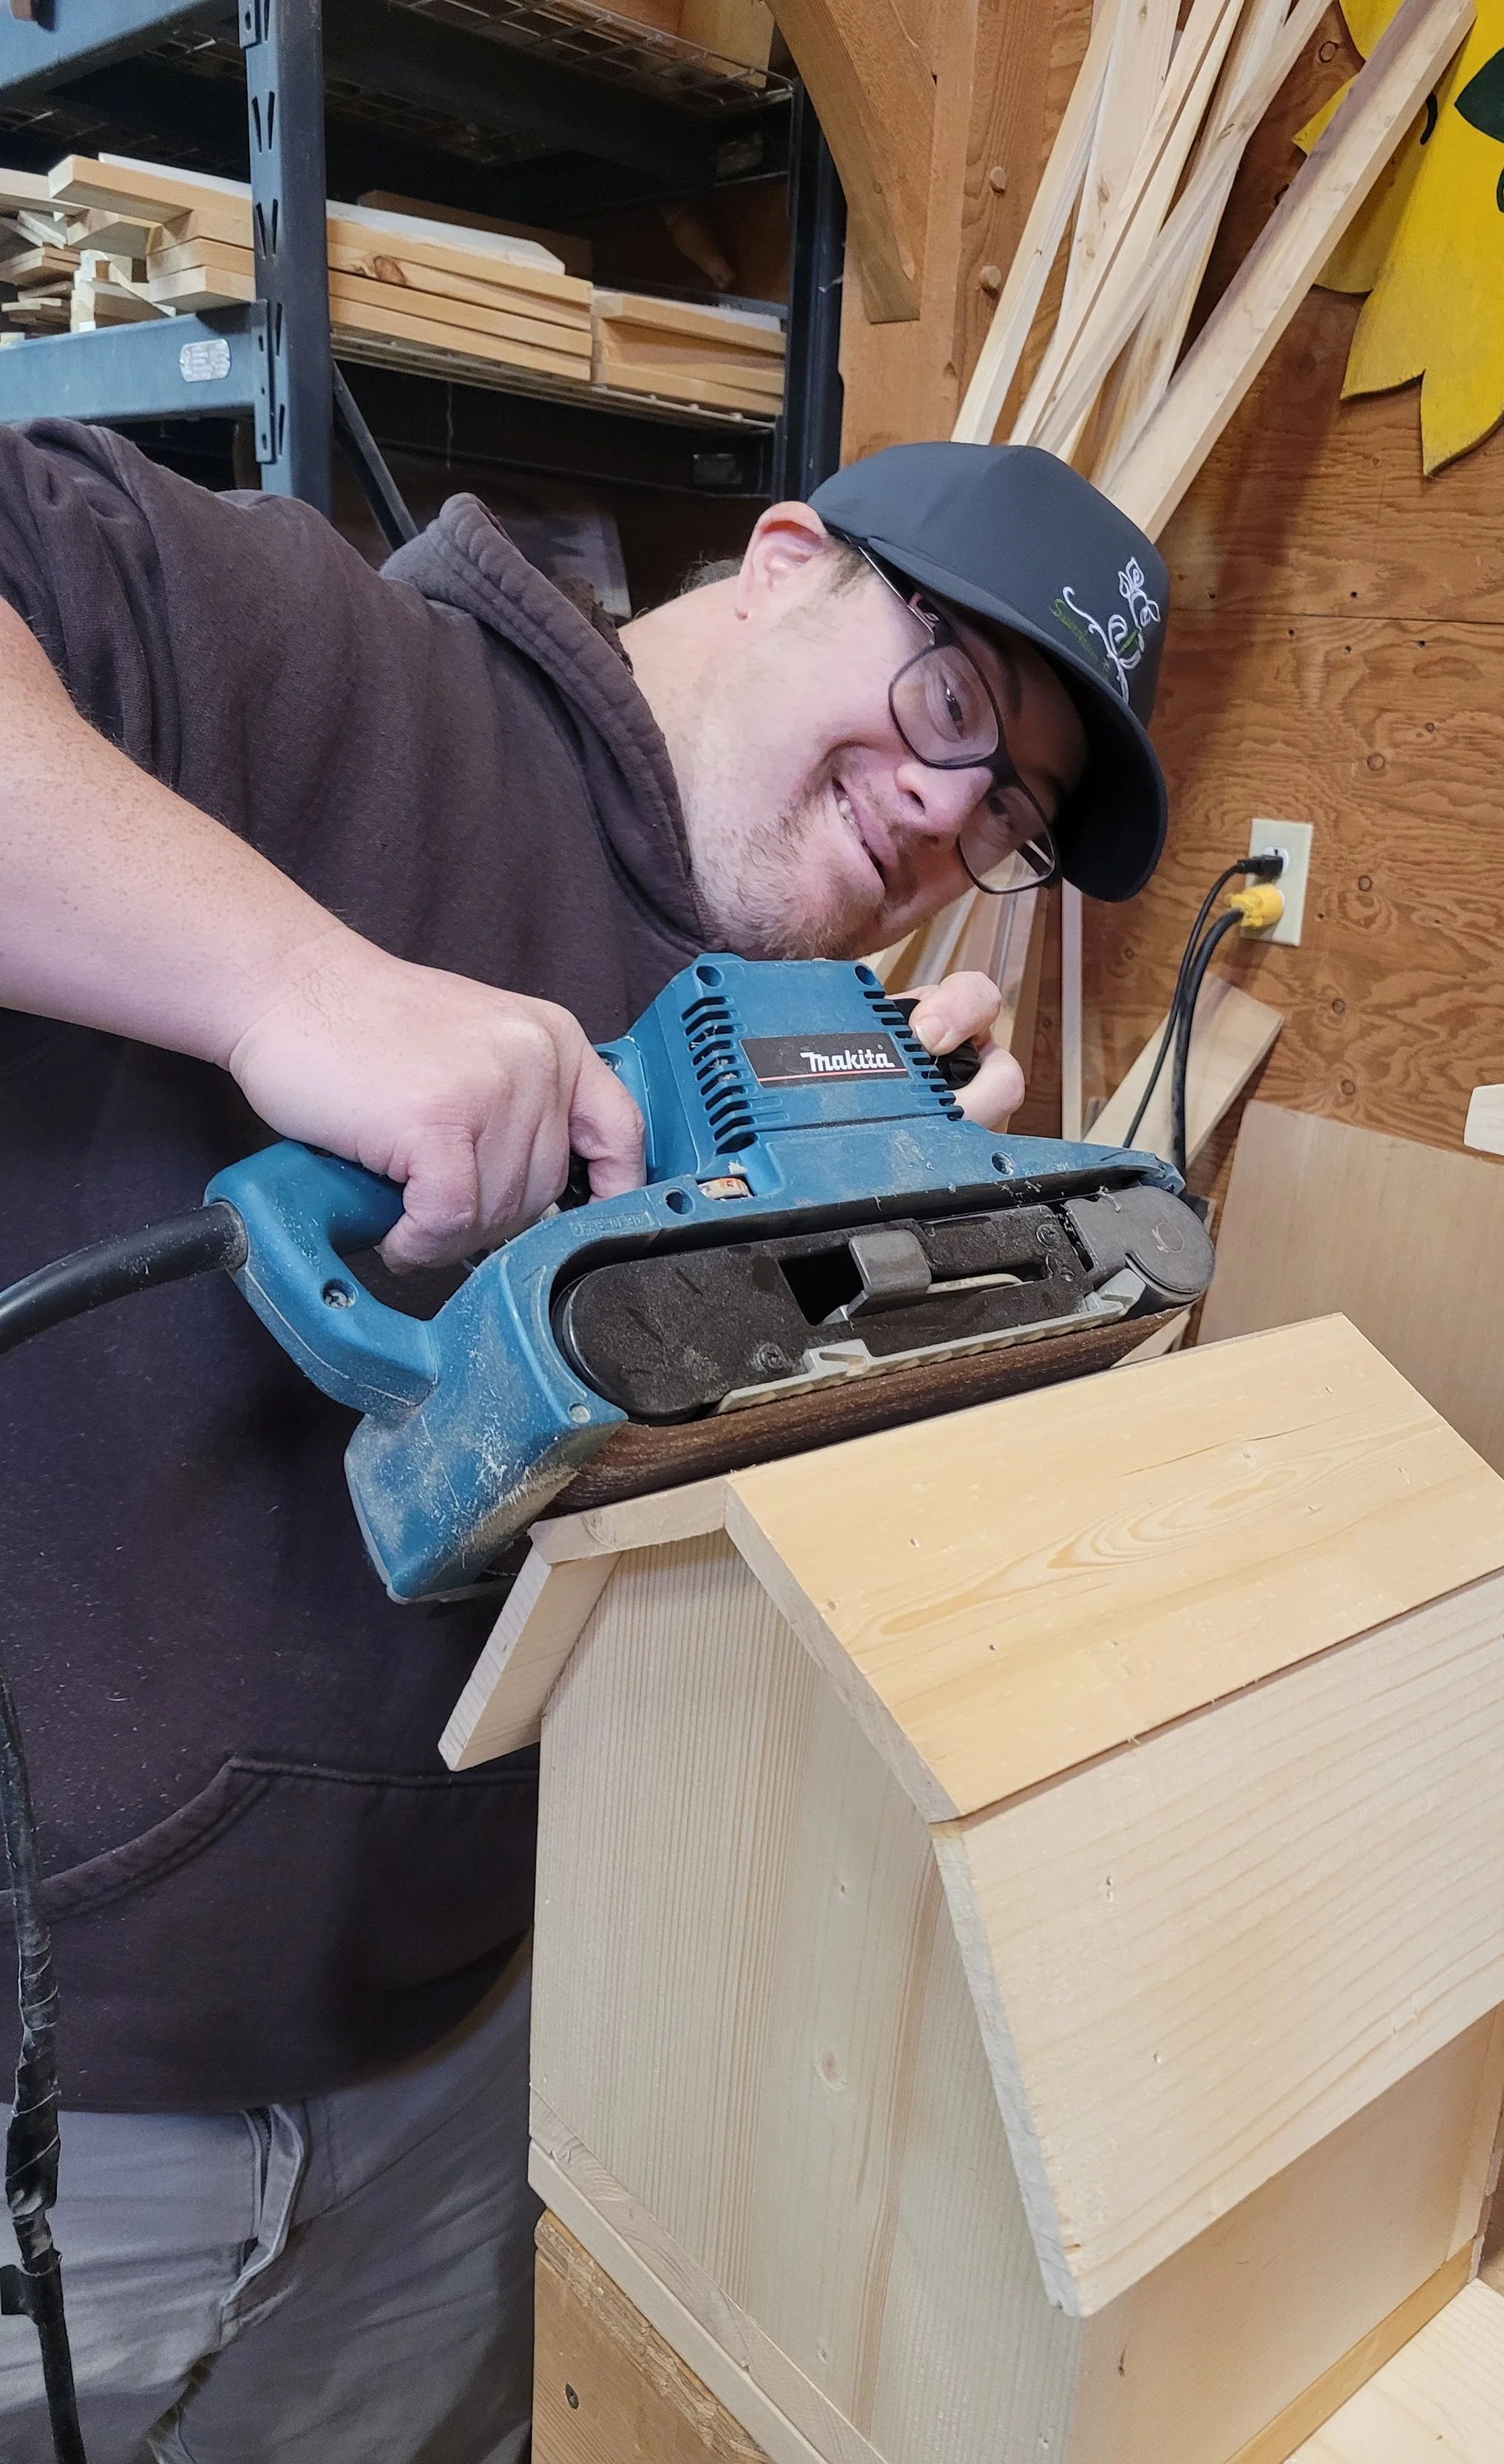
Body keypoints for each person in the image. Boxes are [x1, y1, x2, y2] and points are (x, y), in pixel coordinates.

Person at [0, 421, 1170, 2461]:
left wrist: (905, 1263)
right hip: (65, 2119)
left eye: (1012, 806)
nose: (945, 810)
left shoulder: (796, 1020)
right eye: (955, 697)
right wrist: (295, 984)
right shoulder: (296, 642)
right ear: (788, 557)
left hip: (465, 2073)